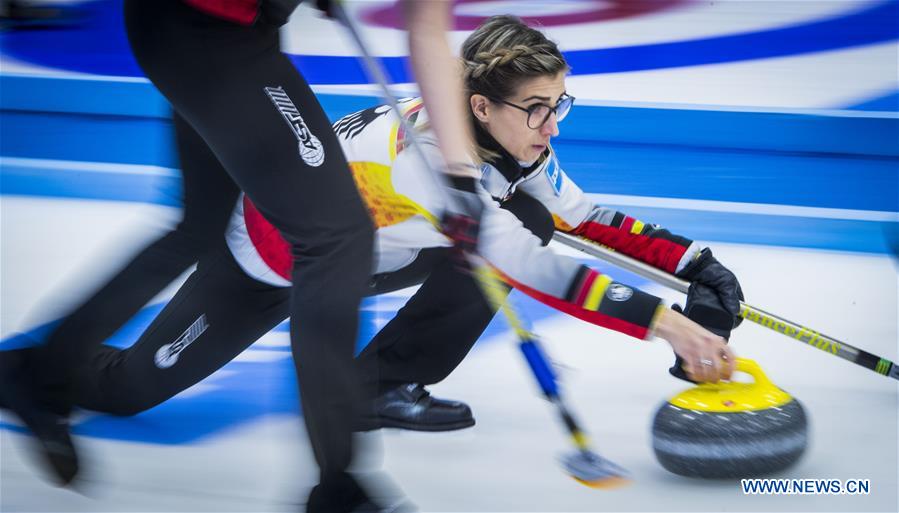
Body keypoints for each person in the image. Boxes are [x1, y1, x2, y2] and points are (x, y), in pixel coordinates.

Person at [8, 14, 742, 443]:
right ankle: (33, 366)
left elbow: (580, 218)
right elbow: (539, 266)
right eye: (538, 109)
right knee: (128, 388)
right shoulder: (427, 165)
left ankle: (376, 386)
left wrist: (696, 264)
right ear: (480, 108)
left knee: (515, 227)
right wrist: (668, 326)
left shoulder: (507, 141)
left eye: (560, 105)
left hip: (364, 254)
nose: (552, 127)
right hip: (265, 263)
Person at [0, 1, 482, 510]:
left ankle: (37, 373)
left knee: (202, 227)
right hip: (207, 32)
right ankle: (338, 488)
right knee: (338, 238)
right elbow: (425, 28)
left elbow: (426, 23)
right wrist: (458, 171)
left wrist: (460, 173)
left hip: (215, 29)